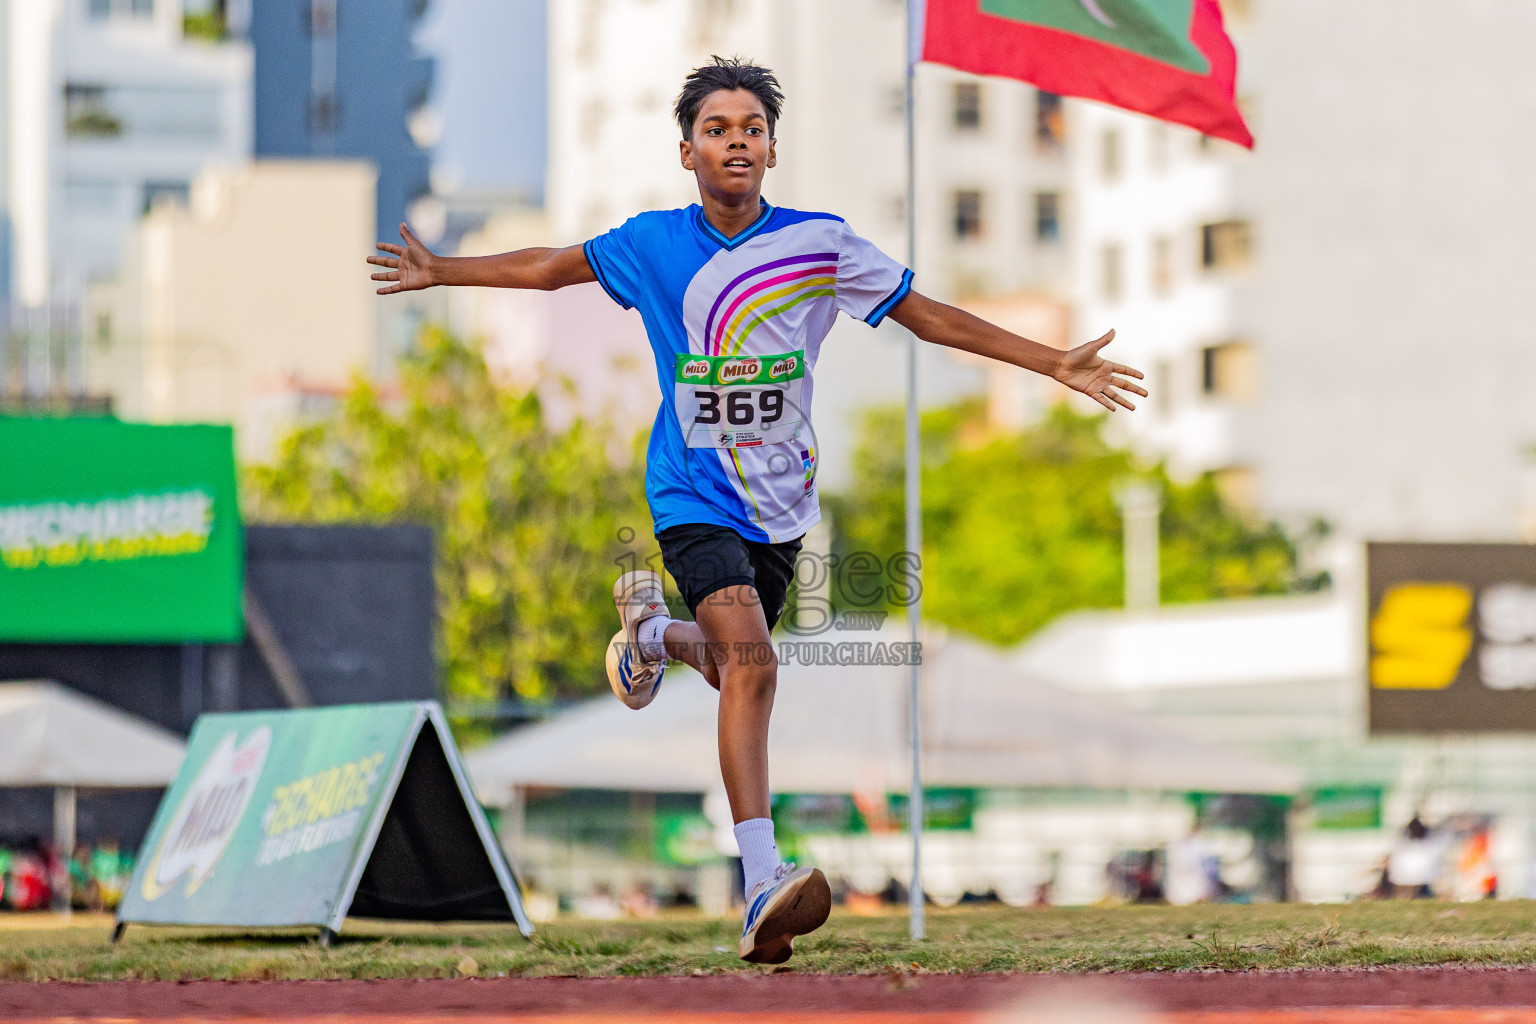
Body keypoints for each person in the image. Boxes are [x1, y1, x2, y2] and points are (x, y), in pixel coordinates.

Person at [368, 57, 1144, 963]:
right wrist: (442, 270)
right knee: (756, 664)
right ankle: (760, 881)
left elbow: (929, 317)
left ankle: (652, 637)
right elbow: (548, 267)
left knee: (735, 669)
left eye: (752, 128)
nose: (736, 140)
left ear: (772, 149)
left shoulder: (822, 243)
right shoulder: (654, 243)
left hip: (783, 510)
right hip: (690, 494)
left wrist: (1050, 361)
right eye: (717, 129)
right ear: (688, 151)